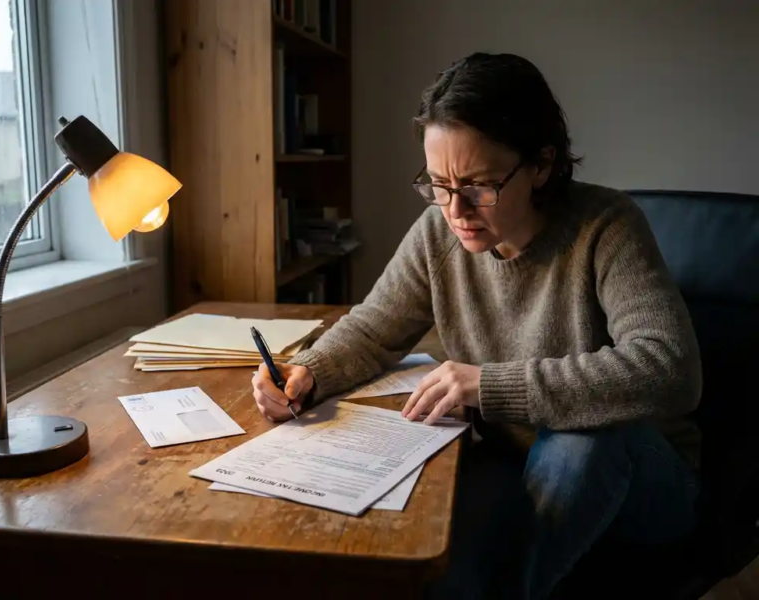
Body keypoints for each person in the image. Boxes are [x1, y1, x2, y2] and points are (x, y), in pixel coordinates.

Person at [251, 52, 702, 599]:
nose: (455, 209)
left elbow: (670, 368)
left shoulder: (607, 227)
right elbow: (374, 327)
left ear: (541, 164)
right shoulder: (438, 235)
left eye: (479, 185)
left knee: (582, 442)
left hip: (647, 481)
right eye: (438, 184)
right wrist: (308, 372)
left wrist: (488, 384)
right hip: (513, 460)